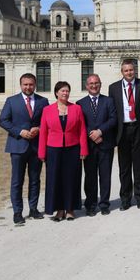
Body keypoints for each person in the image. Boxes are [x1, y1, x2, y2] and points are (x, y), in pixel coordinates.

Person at [0, 73, 49, 225]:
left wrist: (39, 128)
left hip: (35, 146)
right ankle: (17, 212)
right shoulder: (11, 101)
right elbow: (3, 120)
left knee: (35, 180)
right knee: (17, 181)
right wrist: (20, 131)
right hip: (17, 146)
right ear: (20, 85)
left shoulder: (42, 101)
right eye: (25, 84)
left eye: (31, 84)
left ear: (35, 85)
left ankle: (33, 208)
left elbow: (48, 121)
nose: (28, 87)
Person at [38, 81, 88, 221]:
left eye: (67, 91)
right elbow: (43, 133)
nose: (65, 93)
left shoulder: (76, 108)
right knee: (55, 180)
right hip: (53, 149)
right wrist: (42, 153)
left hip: (73, 148)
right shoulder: (47, 110)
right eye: (62, 91)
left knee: (72, 179)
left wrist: (83, 149)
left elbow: (82, 130)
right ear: (56, 93)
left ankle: (70, 209)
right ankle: (59, 210)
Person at [108, 59, 140, 210]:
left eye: (131, 70)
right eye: (126, 70)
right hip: (122, 130)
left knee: (139, 166)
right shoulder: (113, 88)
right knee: (124, 167)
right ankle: (125, 198)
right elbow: (112, 112)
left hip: (138, 128)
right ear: (122, 72)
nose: (129, 73)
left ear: (135, 70)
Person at [77, 74, 117, 216]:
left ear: (100, 84)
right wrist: (91, 134)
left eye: (96, 83)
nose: (94, 86)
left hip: (106, 143)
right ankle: (91, 204)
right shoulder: (80, 103)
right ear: (86, 86)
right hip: (89, 145)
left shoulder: (109, 101)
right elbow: (80, 123)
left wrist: (100, 131)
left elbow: (113, 119)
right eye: (91, 84)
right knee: (90, 176)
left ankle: (104, 204)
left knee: (105, 175)